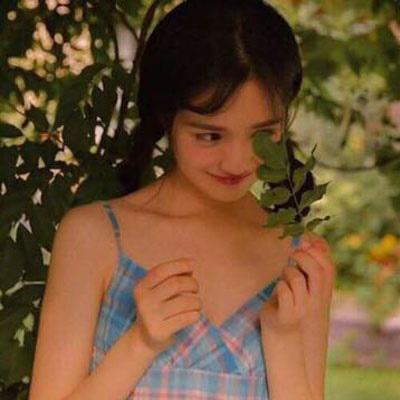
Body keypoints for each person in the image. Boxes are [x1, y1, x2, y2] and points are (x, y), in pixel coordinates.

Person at [29, 1, 336, 399]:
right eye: (210, 135)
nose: (237, 160)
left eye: (263, 134)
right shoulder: (94, 236)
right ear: (165, 116)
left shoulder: (302, 259)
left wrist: (284, 339)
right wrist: (140, 344)